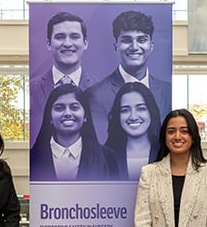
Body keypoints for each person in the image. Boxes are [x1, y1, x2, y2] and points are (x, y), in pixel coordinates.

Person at [85, 10, 171, 144]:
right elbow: (99, 146)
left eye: (141, 40)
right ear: (116, 46)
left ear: (151, 46)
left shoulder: (168, 91)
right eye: (126, 40)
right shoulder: (96, 95)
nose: (134, 47)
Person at [30, 11, 98, 145]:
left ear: (85, 43)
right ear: (49, 44)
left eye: (74, 36)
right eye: (60, 37)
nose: (67, 43)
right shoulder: (31, 89)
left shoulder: (100, 89)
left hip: (93, 163)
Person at [30, 83, 118, 181]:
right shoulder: (32, 158)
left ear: (85, 116)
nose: (67, 113)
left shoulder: (107, 158)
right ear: (50, 117)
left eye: (74, 107)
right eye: (59, 108)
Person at [104, 82, 161, 180]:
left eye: (141, 109)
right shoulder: (105, 156)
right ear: (118, 115)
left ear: (151, 112)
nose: (133, 117)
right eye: (125, 110)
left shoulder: (165, 152)